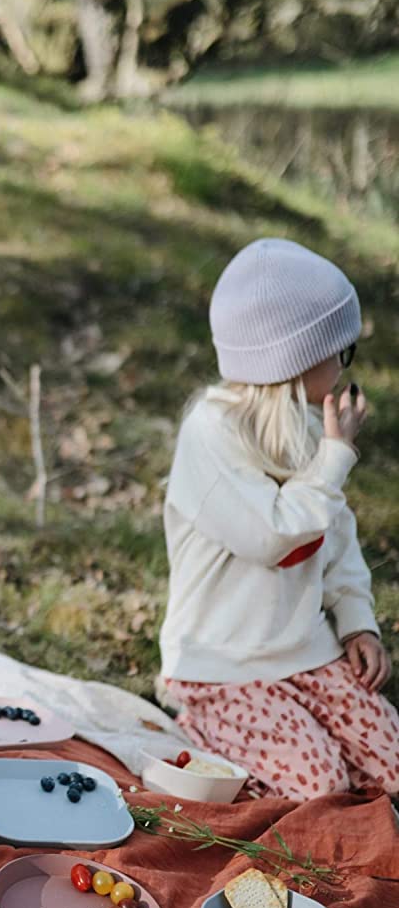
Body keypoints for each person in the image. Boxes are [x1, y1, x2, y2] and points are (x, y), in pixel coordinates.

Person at [158, 237, 399, 799]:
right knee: (322, 787)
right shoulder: (210, 434)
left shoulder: (309, 425)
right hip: (224, 663)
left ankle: (299, 726)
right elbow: (271, 535)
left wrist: (355, 617)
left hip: (305, 650)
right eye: (341, 351)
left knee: (390, 769)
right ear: (295, 359)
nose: (344, 367)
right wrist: (337, 458)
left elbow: (335, 534)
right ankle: (201, 722)